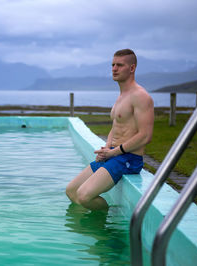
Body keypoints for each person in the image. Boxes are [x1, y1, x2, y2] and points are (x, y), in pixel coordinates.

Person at [66, 49, 154, 211]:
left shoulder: (141, 96)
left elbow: (145, 136)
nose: (114, 69)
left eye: (120, 65)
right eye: (113, 65)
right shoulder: (121, 96)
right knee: (71, 191)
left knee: (84, 196)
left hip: (128, 158)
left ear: (132, 68)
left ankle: (106, 223)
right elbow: (116, 126)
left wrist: (115, 152)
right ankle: (94, 222)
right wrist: (107, 148)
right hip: (113, 154)